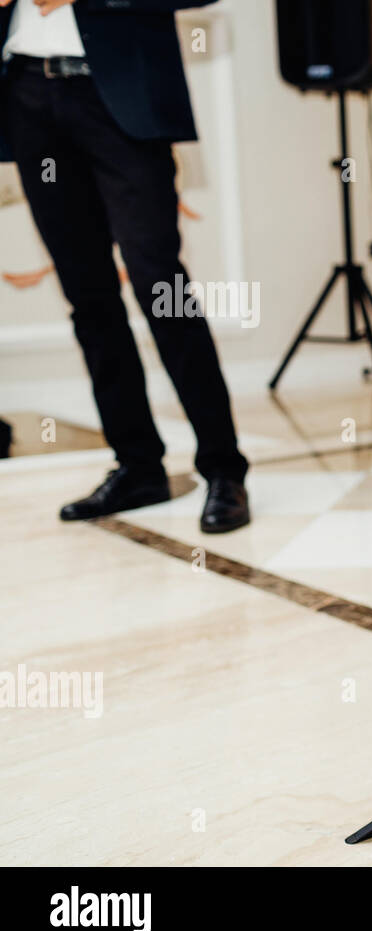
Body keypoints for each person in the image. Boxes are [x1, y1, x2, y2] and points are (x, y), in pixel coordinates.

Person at [0, 0, 249, 532]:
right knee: (87, 297)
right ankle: (138, 467)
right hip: (25, 94)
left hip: (121, 97)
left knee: (161, 286)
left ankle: (223, 468)